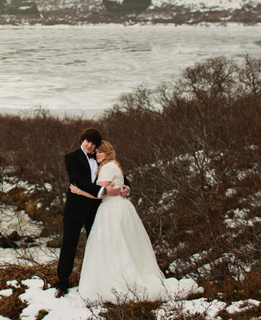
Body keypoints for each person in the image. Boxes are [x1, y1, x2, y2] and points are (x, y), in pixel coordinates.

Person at [71, 141, 200, 303]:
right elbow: (116, 186)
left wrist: (78, 191)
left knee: (114, 245)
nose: (97, 154)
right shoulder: (114, 166)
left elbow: (99, 194)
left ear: (108, 153)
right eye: (96, 153)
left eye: (100, 152)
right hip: (120, 207)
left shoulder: (107, 168)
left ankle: (118, 281)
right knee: (125, 244)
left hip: (112, 210)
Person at [55, 128, 128, 298]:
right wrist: (103, 190)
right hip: (75, 209)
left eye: (93, 143)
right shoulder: (71, 158)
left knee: (97, 246)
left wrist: (126, 187)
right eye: (87, 141)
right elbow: (78, 181)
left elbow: (120, 174)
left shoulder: (100, 156)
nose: (89, 145)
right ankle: (62, 284)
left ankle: (98, 282)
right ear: (82, 140)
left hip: (96, 210)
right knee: (69, 246)